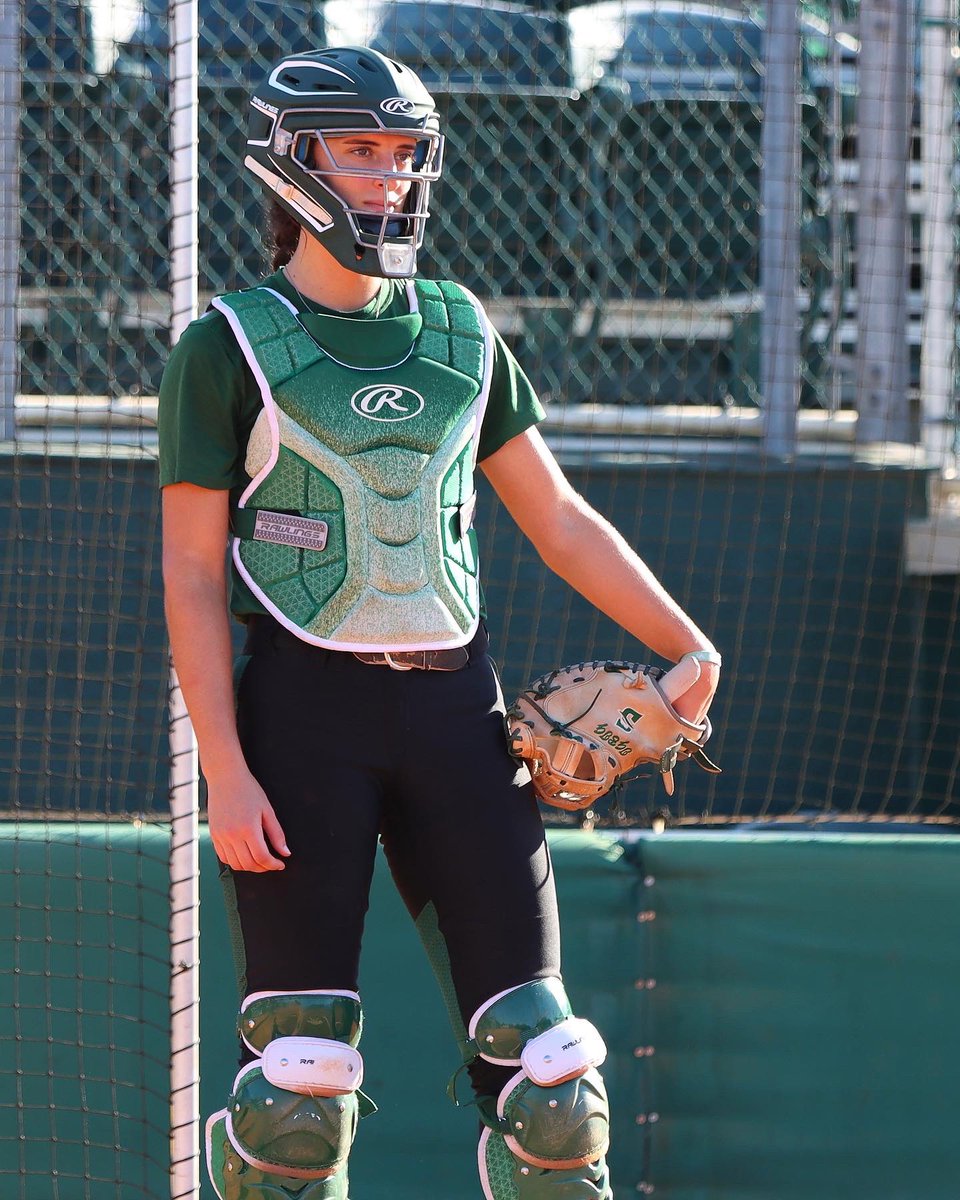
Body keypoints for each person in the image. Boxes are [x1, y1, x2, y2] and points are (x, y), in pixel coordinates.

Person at [159, 45, 720, 1200]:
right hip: (299, 723)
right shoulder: (224, 345)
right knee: (298, 1097)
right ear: (291, 162)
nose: (387, 176)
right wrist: (224, 765)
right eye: (358, 151)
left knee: (556, 1084)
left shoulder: (464, 332)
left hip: (457, 713)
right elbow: (190, 577)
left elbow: (557, 518)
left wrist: (686, 643)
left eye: (404, 152)